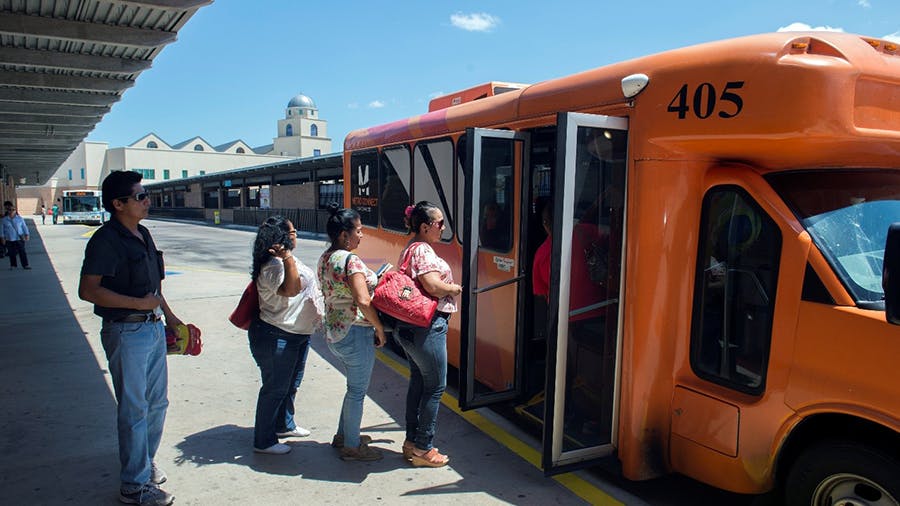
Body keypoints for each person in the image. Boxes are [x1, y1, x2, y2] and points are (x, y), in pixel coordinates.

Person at [78, 171, 183, 506]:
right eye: (140, 196)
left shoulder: (144, 234)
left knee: (157, 403)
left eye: (145, 194)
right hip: (126, 330)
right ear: (118, 204)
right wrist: (139, 304)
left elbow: (155, 286)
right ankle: (133, 486)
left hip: (151, 328)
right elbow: (88, 290)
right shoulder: (106, 240)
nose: (146, 201)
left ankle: (143, 463)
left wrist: (170, 316)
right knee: (135, 408)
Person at [317, 204, 386, 461]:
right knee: (357, 391)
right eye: (358, 230)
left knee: (352, 388)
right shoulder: (351, 260)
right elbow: (363, 300)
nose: (361, 235)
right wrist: (379, 327)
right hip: (355, 331)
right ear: (344, 235)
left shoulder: (326, 258)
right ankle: (352, 447)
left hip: (335, 332)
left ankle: (344, 435)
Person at [395, 201, 462, 468]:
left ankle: (412, 442)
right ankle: (424, 448)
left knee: (419, 383)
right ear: (425, 227)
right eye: (439, 223)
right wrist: (453, 288)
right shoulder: (422, 249)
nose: (443, 228)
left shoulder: (411, 247)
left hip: (412, 329)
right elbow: (432, 285)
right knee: (435, 388)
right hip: (428, 327)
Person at [248, 215, 321, 455]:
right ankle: (264, 441)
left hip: (297, 334)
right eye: (292, 233)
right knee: (275, 388)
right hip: (277, 335)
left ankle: (283, 424)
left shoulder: (285, 260)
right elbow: (291, 289)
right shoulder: (272, 266)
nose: (296, 236)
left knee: (290, 385)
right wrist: (287, 256)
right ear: (280, 239)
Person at [1, 201, 31, 270]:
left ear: (15, 211)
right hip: (9, 239)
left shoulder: (19, 219)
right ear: (7, 211)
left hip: (19, 238)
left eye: (13, 210)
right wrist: (2, 238)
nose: (11, 211)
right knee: (11, 253)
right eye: (9, 210)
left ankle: (25, 265)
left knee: (22, 252)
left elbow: (24, 227)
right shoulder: (4, 220)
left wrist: (27, 234)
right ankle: (13, 265)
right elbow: (1, 230)